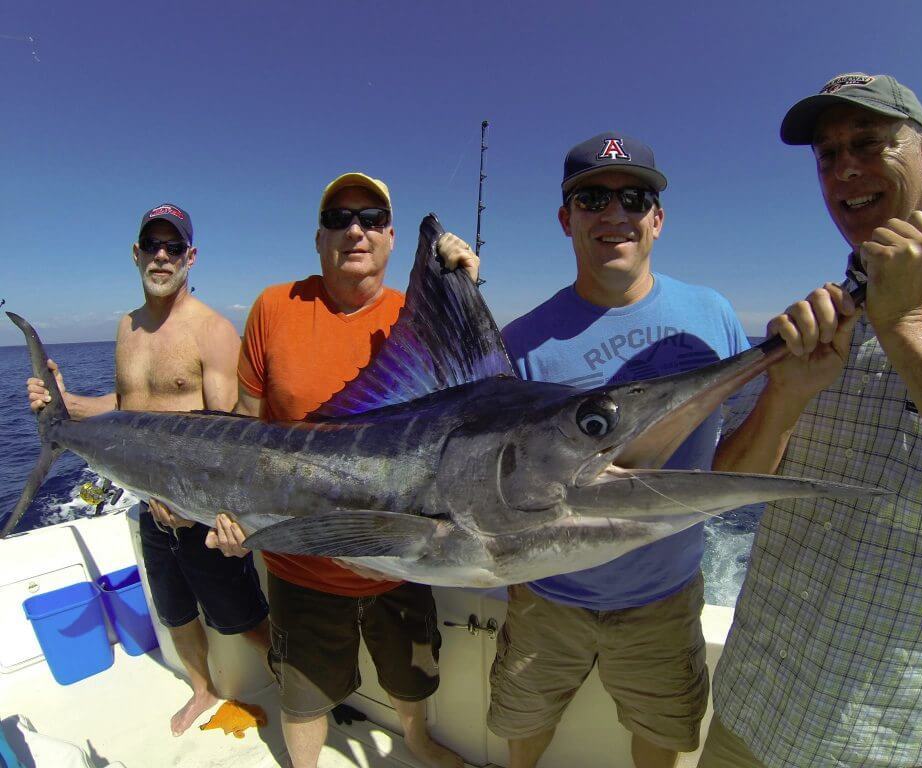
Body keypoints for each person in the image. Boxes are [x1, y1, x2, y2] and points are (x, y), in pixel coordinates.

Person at [699, 73, 922, 768]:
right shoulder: (817, 325)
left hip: (886, 744)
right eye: (827, 154)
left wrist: (906, 326)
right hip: (751, 711)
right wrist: (781, 398)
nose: (845, 168)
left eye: (871, 143)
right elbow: (719, 497)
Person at [486, 133, 749, 768]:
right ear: (565, 218)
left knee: (659, 741)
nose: (614, 214)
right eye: (592, 199)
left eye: (634, 197)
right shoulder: (518, 345)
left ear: (657, 218)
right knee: (524, 731)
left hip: (663, 596)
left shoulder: (713, 315)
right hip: (549, 596)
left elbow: (741, 443)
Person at [205, 172, 476, 768]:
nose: (356, 229)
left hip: (402, 558)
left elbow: (482, 414)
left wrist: (464, 292)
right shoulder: (274, 308)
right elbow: (241, 431)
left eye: (372, 217)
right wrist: (229, 517)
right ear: (319, 237)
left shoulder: (419, 322)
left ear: (391, 237)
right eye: (340, 217)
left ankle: (418, 741)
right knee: (304, 695)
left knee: (412, 681)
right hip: (301, 560)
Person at [26, 203, 270, 737]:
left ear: (191, 256)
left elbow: (229, 434)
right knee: (175, 612)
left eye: (174, 247)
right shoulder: (127, 329)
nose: (163, 256)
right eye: (153, 246)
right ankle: (203, 688)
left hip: (204, 516)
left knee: (243, 618)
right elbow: (126, 408)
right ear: (136, 254)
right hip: (147, 502)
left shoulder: (212, 331)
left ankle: (289, 679)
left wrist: (192, 508)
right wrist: (64, 401)